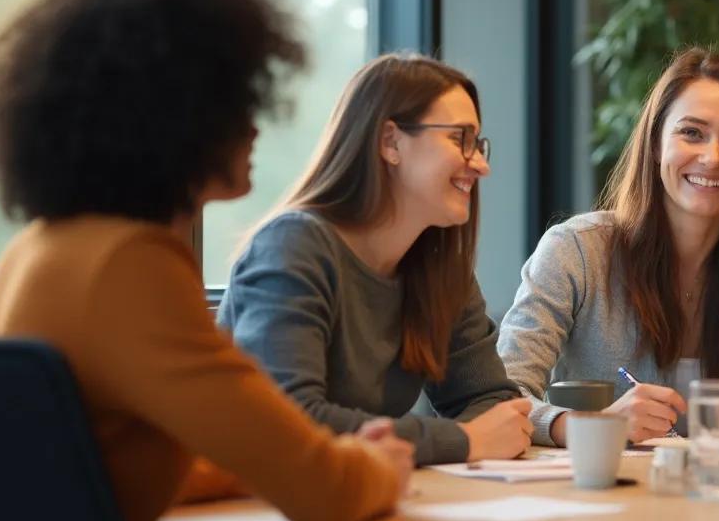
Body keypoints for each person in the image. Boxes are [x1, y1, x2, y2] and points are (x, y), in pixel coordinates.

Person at [0, 0, 410, 521]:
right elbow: (327, 494)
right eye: (235, 104)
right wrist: (384, 467)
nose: (255, 125)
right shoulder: (132, 267)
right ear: (175, 118)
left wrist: (294, 461)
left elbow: (107, 462)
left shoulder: (40, 250)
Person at [500, 48, 719, 446]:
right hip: (607, 497)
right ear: (656, 143)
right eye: (692, 133)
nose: (713, 158)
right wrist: (596, 427)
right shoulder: (576, 251)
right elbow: (503, 396)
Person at [219, 54, 533, 465]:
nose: (482, 165)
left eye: (478, 143)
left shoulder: (438, 266)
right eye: (461, 139)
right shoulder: (293, 246)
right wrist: (465, 440)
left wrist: (475, 435)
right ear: (390, 142)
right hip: (260, 512)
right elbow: (287, 422)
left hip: (361, 498)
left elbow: (497, 405)